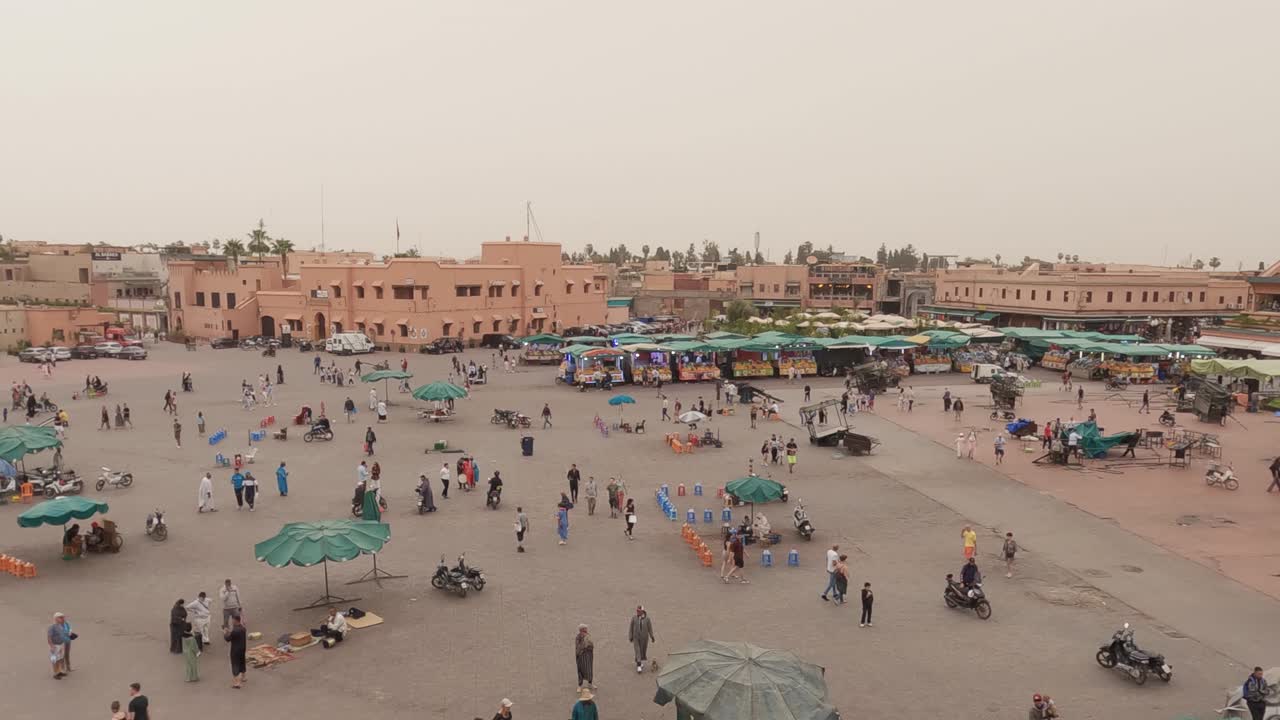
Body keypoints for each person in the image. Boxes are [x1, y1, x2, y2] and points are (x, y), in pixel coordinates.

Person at [629, 606, 655, 673]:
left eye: (639, 611)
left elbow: (650, 628)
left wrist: (652, 637)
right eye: (637, 611)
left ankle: (639, 661)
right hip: (636, 638)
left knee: (642, 650)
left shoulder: (647, 619)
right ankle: (639, 666)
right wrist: (630, 636)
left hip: (644, 638)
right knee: (637, 650)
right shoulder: (634, 618)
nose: (637, 612)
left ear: (642, 611)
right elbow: (631, 628)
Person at [225, 614, 248, 689]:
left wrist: (225, 632)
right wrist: (230, 632)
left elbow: (228, 639)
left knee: (235, 664)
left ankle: (237, 683)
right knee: (242, 661)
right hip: (242, 648)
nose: (232, 622)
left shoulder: (235, 631)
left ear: (235, 620)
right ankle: (244, 677)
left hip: (235, 650)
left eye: (232, 620)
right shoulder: (243, 628)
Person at [48, 612, 69, 679]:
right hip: (54, 646)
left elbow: (62, 634)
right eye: (61, 617)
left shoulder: (60, 626)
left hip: (60, 645)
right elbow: (49, 637)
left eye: (63, 617)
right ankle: (55, 673)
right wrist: (51, 646)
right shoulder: (52, 627)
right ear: (56, 618)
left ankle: (59, 671)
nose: (63, 619)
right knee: (54, 660)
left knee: (59, 659)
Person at [574, 625, 595, 690]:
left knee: (589, 670)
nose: (586, 630)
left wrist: (590, 646)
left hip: (588, 656)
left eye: (586, 629)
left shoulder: (588, 635)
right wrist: (584, 644)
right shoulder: (578, 637)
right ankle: (580, 685)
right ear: (581, 630)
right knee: (580, 670)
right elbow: (578, 646)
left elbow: (592, 645)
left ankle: (590, 684)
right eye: (585, 629)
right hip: (581, 656)